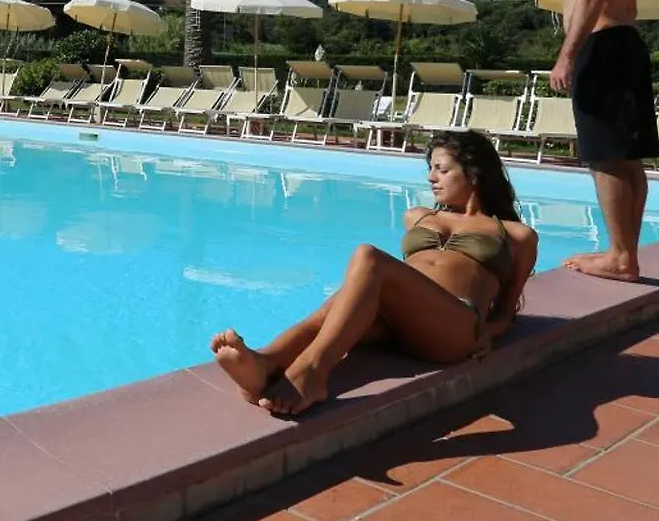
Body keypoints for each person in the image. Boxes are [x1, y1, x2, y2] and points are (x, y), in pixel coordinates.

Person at [211, 131, 537, 416]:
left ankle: (312, 371)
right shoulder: (417, 216)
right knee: (335, 309)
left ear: (474, 173)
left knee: (368, 258)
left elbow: (506, 312)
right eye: (430, 169)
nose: (430, 178)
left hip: (453, 326)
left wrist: (487, 333)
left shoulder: (516, 235)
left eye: (441, 169)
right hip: (400, 324)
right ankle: (266, 362)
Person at [530, 0, 659, 282]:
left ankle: (620, 257)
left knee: (605, 157)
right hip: (619, 43)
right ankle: (625, 254)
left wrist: (567, 55)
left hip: (601, 45)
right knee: (625, 157)